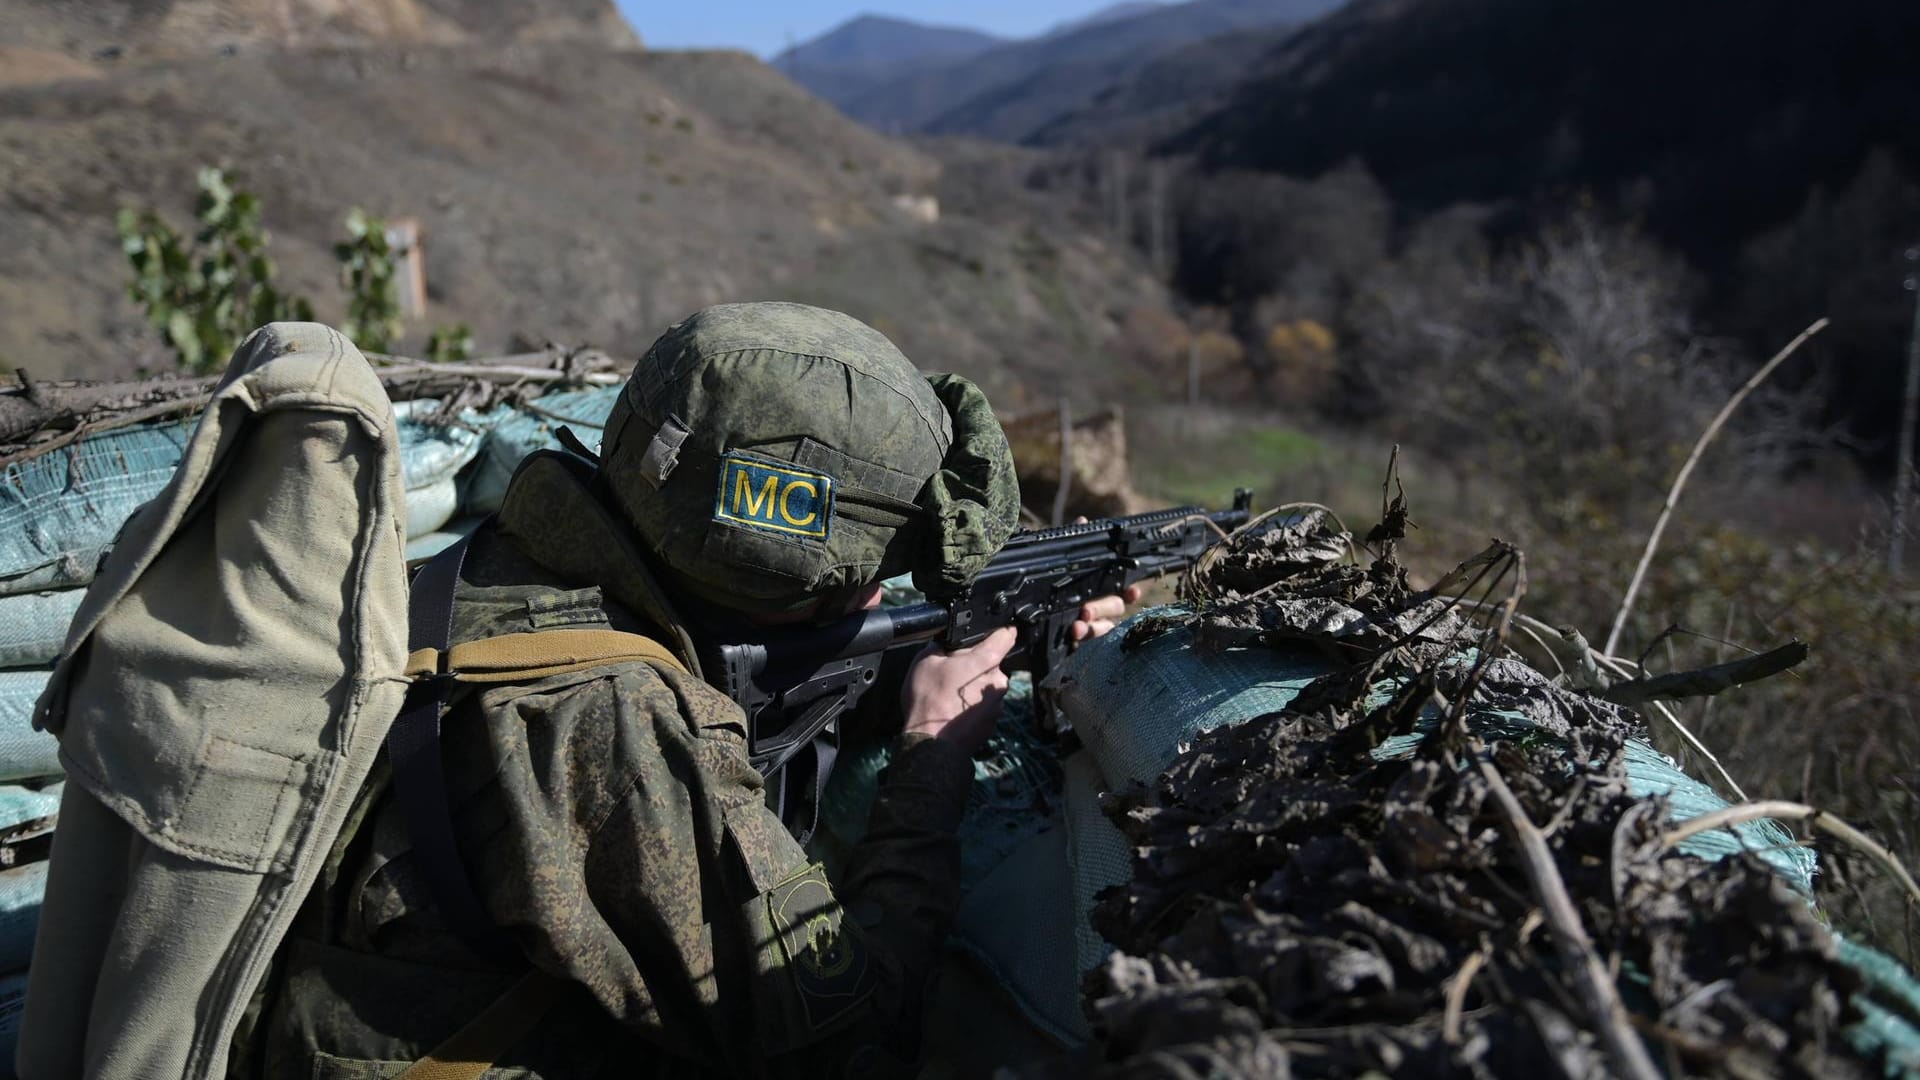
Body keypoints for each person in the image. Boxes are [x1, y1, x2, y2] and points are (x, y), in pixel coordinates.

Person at [235, 302, 1134, 1078]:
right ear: (771, 569)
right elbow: (847, 1036)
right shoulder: (614, 731)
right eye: (872, 575)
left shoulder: (524, 559)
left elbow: (752, 659)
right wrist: (931, 750)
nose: (878, 596)